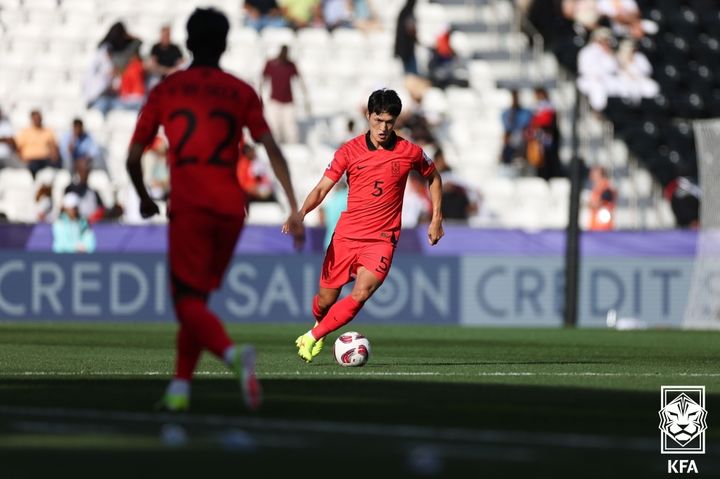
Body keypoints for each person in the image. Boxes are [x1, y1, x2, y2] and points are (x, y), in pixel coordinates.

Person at [126, 8, 305, 412]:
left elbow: (134, 156)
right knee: (198, 300)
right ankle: (180, 390)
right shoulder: (241, 91)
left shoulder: (167, 90)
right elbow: (272, 150)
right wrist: (294, 207)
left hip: (190, 204)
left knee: (185, 302)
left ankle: (232, 355)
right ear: (224, 44)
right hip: (230, 207)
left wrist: (142, 195)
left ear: (188, 43)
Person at [287, 89, 444, 362]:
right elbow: (323, 188)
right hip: (346, 237)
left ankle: (312, 336)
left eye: (389, 122)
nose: (383, 128)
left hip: (382, 240)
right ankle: (319, 326)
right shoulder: (349, 151)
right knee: (325, 301)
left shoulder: (409, 152)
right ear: (368, 116)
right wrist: (301, 213)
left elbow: (434, 177)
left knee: (361, 293)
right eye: (378, 120)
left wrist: (436, 218)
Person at [260, 45, 309, 143]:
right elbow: (263, 79)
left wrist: (306, 98)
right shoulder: (271, 64)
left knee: (290, 128)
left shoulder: (291, 65)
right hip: (274, 101)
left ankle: (293, 148)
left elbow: (300, 80)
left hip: (288, 102)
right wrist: (260, 95)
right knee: (274, 127)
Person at [14, 110, 60, 178]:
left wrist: (54, 157)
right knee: (34, 167)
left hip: (45, 160)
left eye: (38, 118)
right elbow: (17, 147)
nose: (37, 120)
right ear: (32, 119)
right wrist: (22, 159)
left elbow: (54, 147)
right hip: (31, 160)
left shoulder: (48, 131)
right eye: (35, 118)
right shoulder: (25, 131)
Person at [65, 157, 105, 223]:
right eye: (81, 170)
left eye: (86, 171)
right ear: (77, 171)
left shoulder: (94, 191)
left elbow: (101, 209)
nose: (84, 174)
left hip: (91, 225)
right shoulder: (69, 189)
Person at [500, 90, 533, 167]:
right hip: (512, 138)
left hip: (521, 138)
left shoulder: (525, 113)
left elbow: (525, 125)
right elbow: (507, 126)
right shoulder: (506, 113)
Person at [318, 178, 348, 249]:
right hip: (346, 242)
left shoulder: (330, 200)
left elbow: (321, 220)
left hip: (329, 242)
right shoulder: (349, 197)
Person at [587, 166, 616, 231]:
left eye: (594, 173)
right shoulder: (596, 188)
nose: (591, 175)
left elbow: (599, 203)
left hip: (603, 228)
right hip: (595, 227)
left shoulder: (606, 188)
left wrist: (588, 204)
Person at [394, 0, 418, 76]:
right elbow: (410, 30)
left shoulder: (404, 13)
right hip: (407, 48)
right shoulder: (408, 13)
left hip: (405, 48)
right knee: (410, 73)